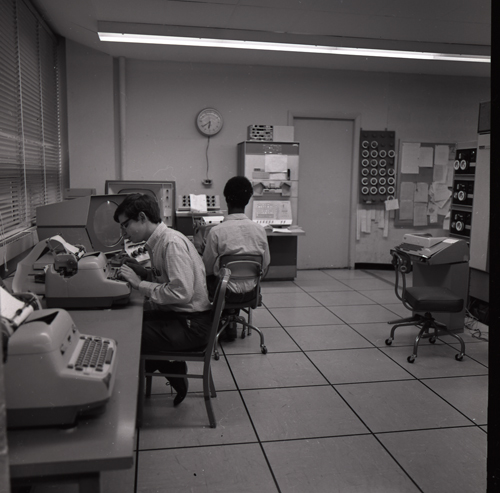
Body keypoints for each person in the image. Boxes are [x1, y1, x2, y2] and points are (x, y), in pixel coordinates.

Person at [115, 193, 212, 406]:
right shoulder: (160, 240)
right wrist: (142, 271)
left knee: (129, 335)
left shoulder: (171, 244)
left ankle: (169, 369)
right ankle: (163, 365)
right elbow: (167, 279)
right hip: (183, 316)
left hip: (191, 325)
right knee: (132, 321)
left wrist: (140, 285)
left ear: (142, 217)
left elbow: (181, 293)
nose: (124, 232)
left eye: (126, 225)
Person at [202, 176, 270, 340]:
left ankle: (221, 320)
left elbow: (207, 268)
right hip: (251, 292)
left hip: (224, 293)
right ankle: (232, 321)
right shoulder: (259, 230)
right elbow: (265, 265)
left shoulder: (217, 232)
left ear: (226, 199)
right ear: (248, 200)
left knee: (212, 276)